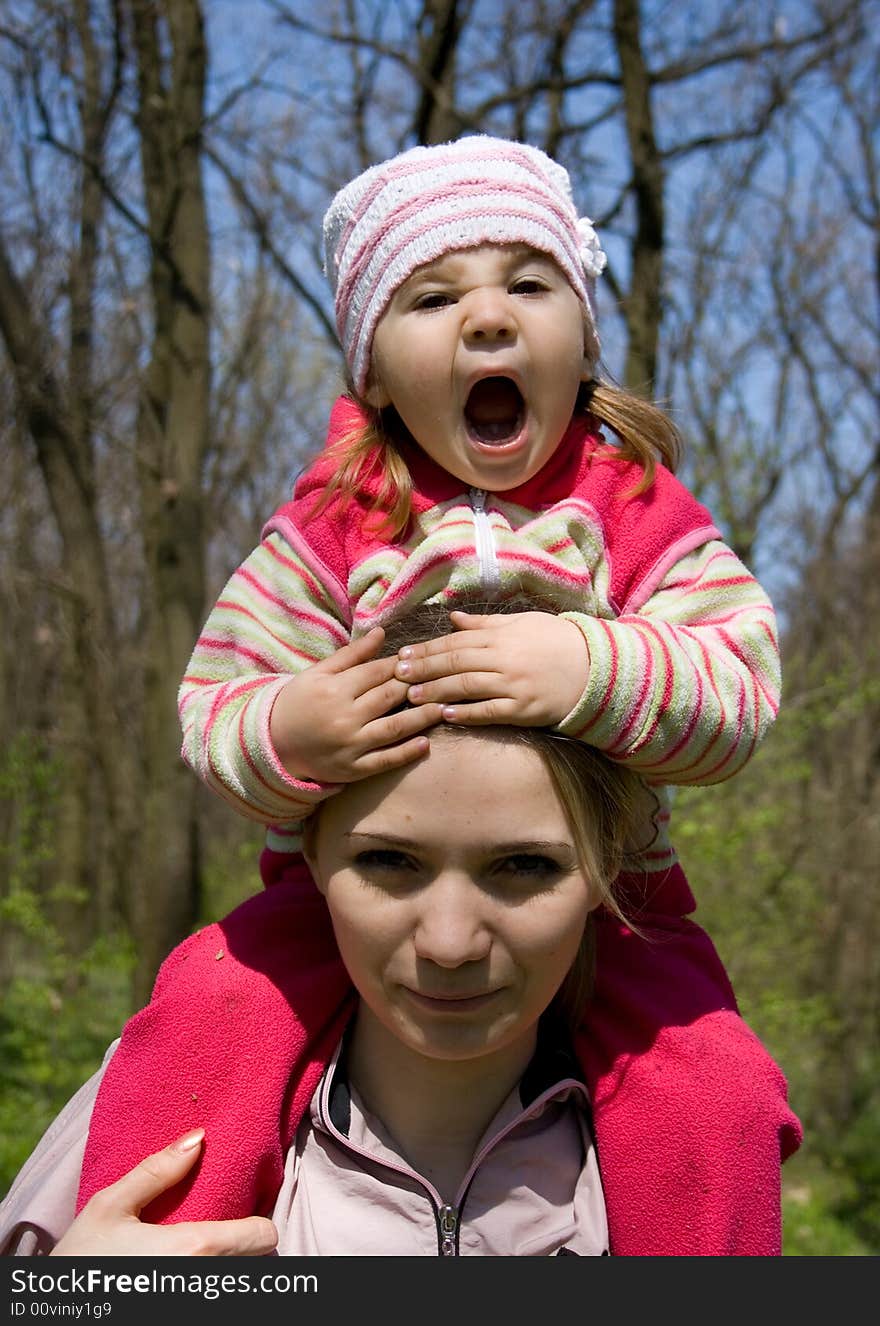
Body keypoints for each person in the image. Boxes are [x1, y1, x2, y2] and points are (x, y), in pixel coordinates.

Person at [71, 135, 801, 1255]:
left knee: (717, 1093)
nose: (488, 319)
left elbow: (740, 684)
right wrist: (297, 728)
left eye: (527, 282)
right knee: (203, 1013)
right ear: (371, 370)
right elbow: (217, 702)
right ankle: (156, 1261)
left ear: (582, 334)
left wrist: (585, 668)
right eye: (431, 296)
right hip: (341, 899)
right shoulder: (333, 519)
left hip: (621, 902)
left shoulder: (634, 506)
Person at [3, 705, 644, 1255]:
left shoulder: (699, 1174)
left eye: (525, 866)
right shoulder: (147, 1088)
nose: (450, 945)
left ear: (604, 868)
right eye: (387, 860)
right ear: (309, 853)